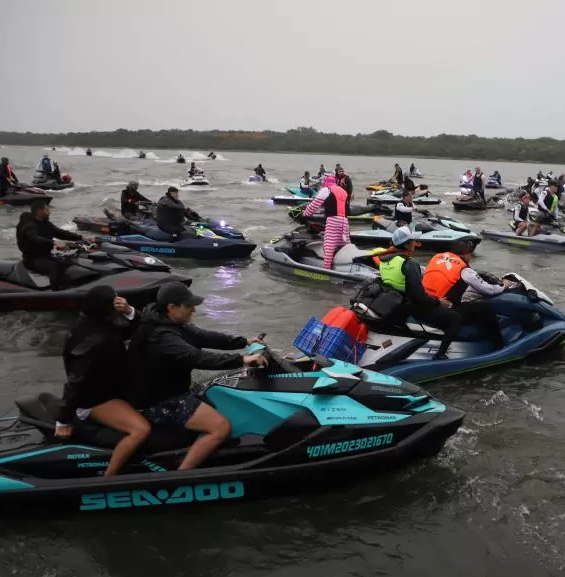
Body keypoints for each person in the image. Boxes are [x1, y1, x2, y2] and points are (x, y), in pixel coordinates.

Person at [126, 283, 267, 471]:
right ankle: (181, 476)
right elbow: (196, 357)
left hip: (171, 390)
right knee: (220, 427)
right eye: (188, 306)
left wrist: (244, 341)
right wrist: (243, 359)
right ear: (172, 307)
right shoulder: (160, 335)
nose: (193, 310)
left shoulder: (170, 322)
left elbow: (204, 336)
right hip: (160, 401)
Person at [56, 285, 150, 476]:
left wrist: (130, 311)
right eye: (114, 301)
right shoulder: (88, 339)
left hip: (114, 391)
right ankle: (110, 476)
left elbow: (137, 329)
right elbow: (76, 380)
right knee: (140, 430)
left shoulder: (103, 324)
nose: (118, 303)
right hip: (95, 400)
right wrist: (63, 420)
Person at [378, 226, 460, 360]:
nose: (414, 243)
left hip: (396, 303)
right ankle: (440, 354)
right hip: (412, 306)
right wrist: (438, 301)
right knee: (455, 318)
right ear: (406, 244)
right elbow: (420, 297)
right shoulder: (409, 263)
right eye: (412, 241)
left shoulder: (383, 261)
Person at [422, 240, 513, 351]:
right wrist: (504, 285)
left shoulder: (437, 257)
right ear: (467, 254)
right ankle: (499, 346)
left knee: (468, 303)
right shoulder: (465, 271)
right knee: (485, 309)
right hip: (444, 309)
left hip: (426, 302)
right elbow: (489, 290)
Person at [16, 200, 84, 289]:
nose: (49, 212)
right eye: (47, 210)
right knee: (54, 267)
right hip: (32, 259)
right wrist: (54, 242)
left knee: (70, 262)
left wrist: (81, 237)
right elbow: (33, 237)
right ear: (40, 211)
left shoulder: (46, 224)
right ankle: (56, 294)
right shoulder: (29, 225)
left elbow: (61, 233)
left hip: (47, 256)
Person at [302, 174, 349, 269]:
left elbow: (314, 205)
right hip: (344, 221)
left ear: (326, 182)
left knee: (329, 246)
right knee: (344, 245)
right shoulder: (342, 191)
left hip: (333, 221)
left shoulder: (326, 190)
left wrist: (305, 214)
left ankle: (327, 270)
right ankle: (346, 265)